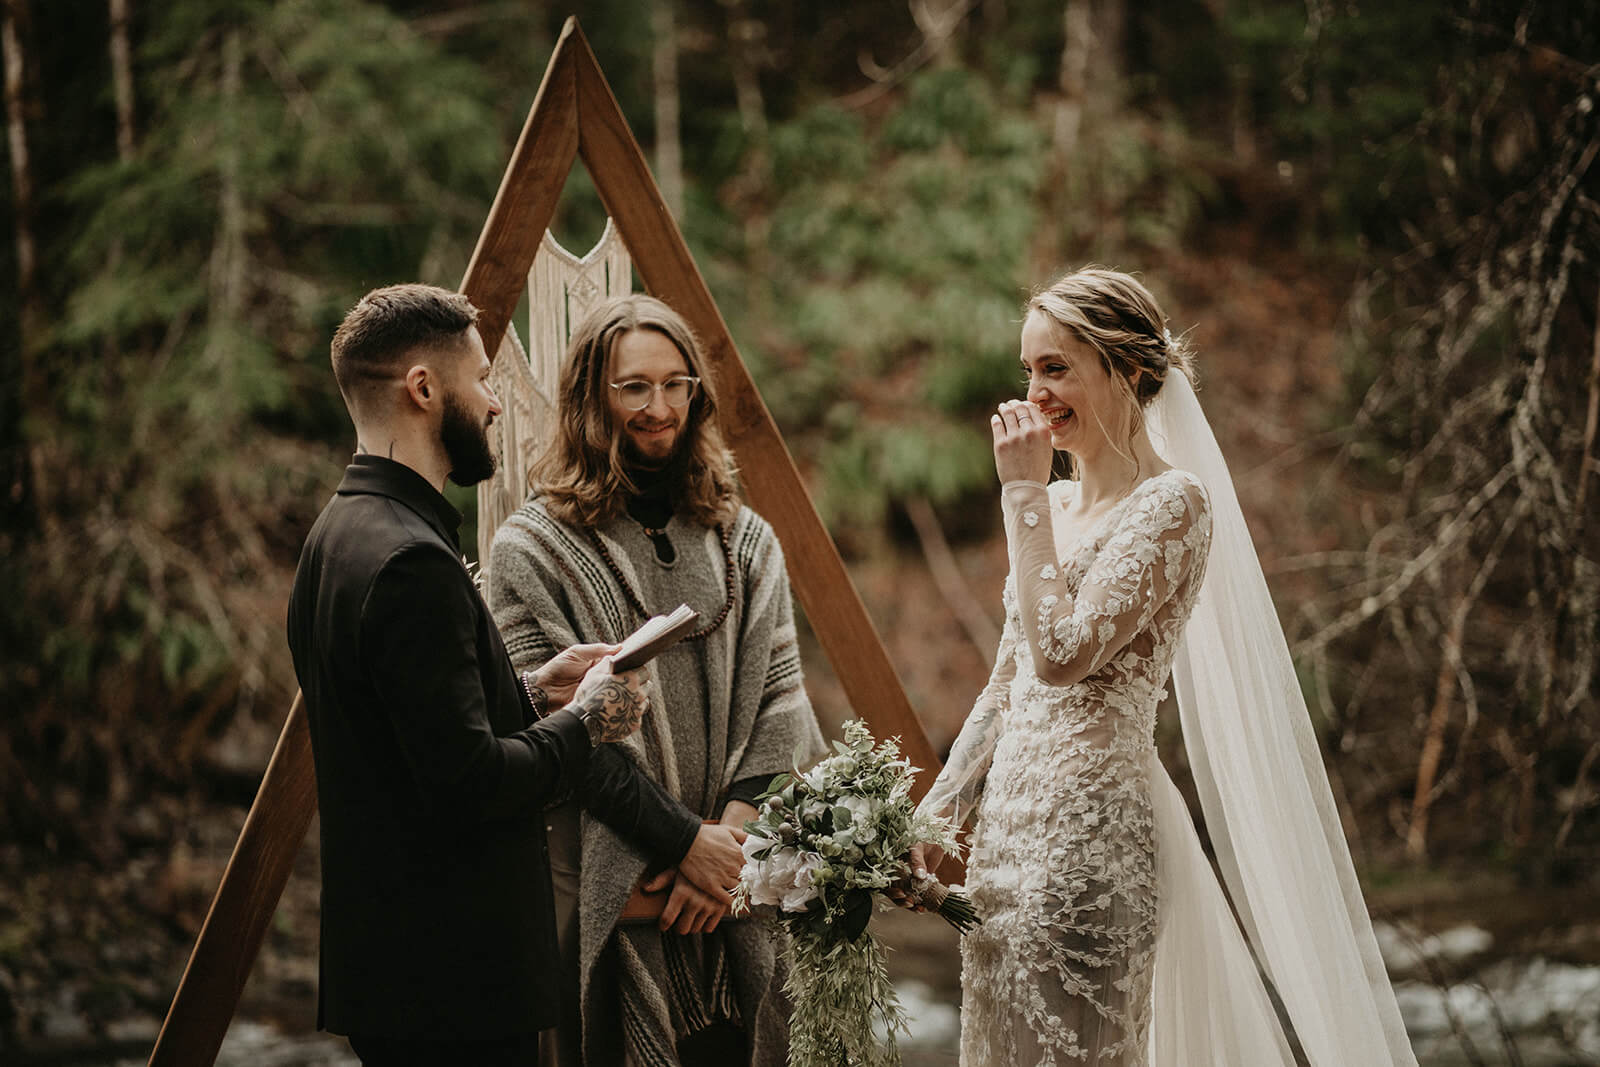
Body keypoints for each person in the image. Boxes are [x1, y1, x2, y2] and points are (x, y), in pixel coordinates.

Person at [904, 268, 1417, 1065]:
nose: (1034, 393)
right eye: (1027, 370)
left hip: (1091, 847)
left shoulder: (1173, 504)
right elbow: (1009, 682)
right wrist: (933, 820)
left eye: (1057, 367)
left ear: (1131, 371)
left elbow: (1065, 655)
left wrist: (1021, 497)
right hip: (1005, 846)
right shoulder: (1059, 506)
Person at [288, 283, 704, 1066]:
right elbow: (473, 781)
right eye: (482, 380)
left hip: (393, 969)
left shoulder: (336, 534)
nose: (494, 403)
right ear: (423, 388)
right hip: (455, 983)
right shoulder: (412, 562)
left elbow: (410, 734)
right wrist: (588, 719)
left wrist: (536, 687)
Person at [488, 293, 826, 1067]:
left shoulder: (746, 540)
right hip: (618, 889)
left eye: (677, 385)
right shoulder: (528, 550)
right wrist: (682, 842)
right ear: (589, 400)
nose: (659, 407)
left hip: (734, 894)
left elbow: (782, 703)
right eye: (634, 386)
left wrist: (726, 854)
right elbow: (545, 734)